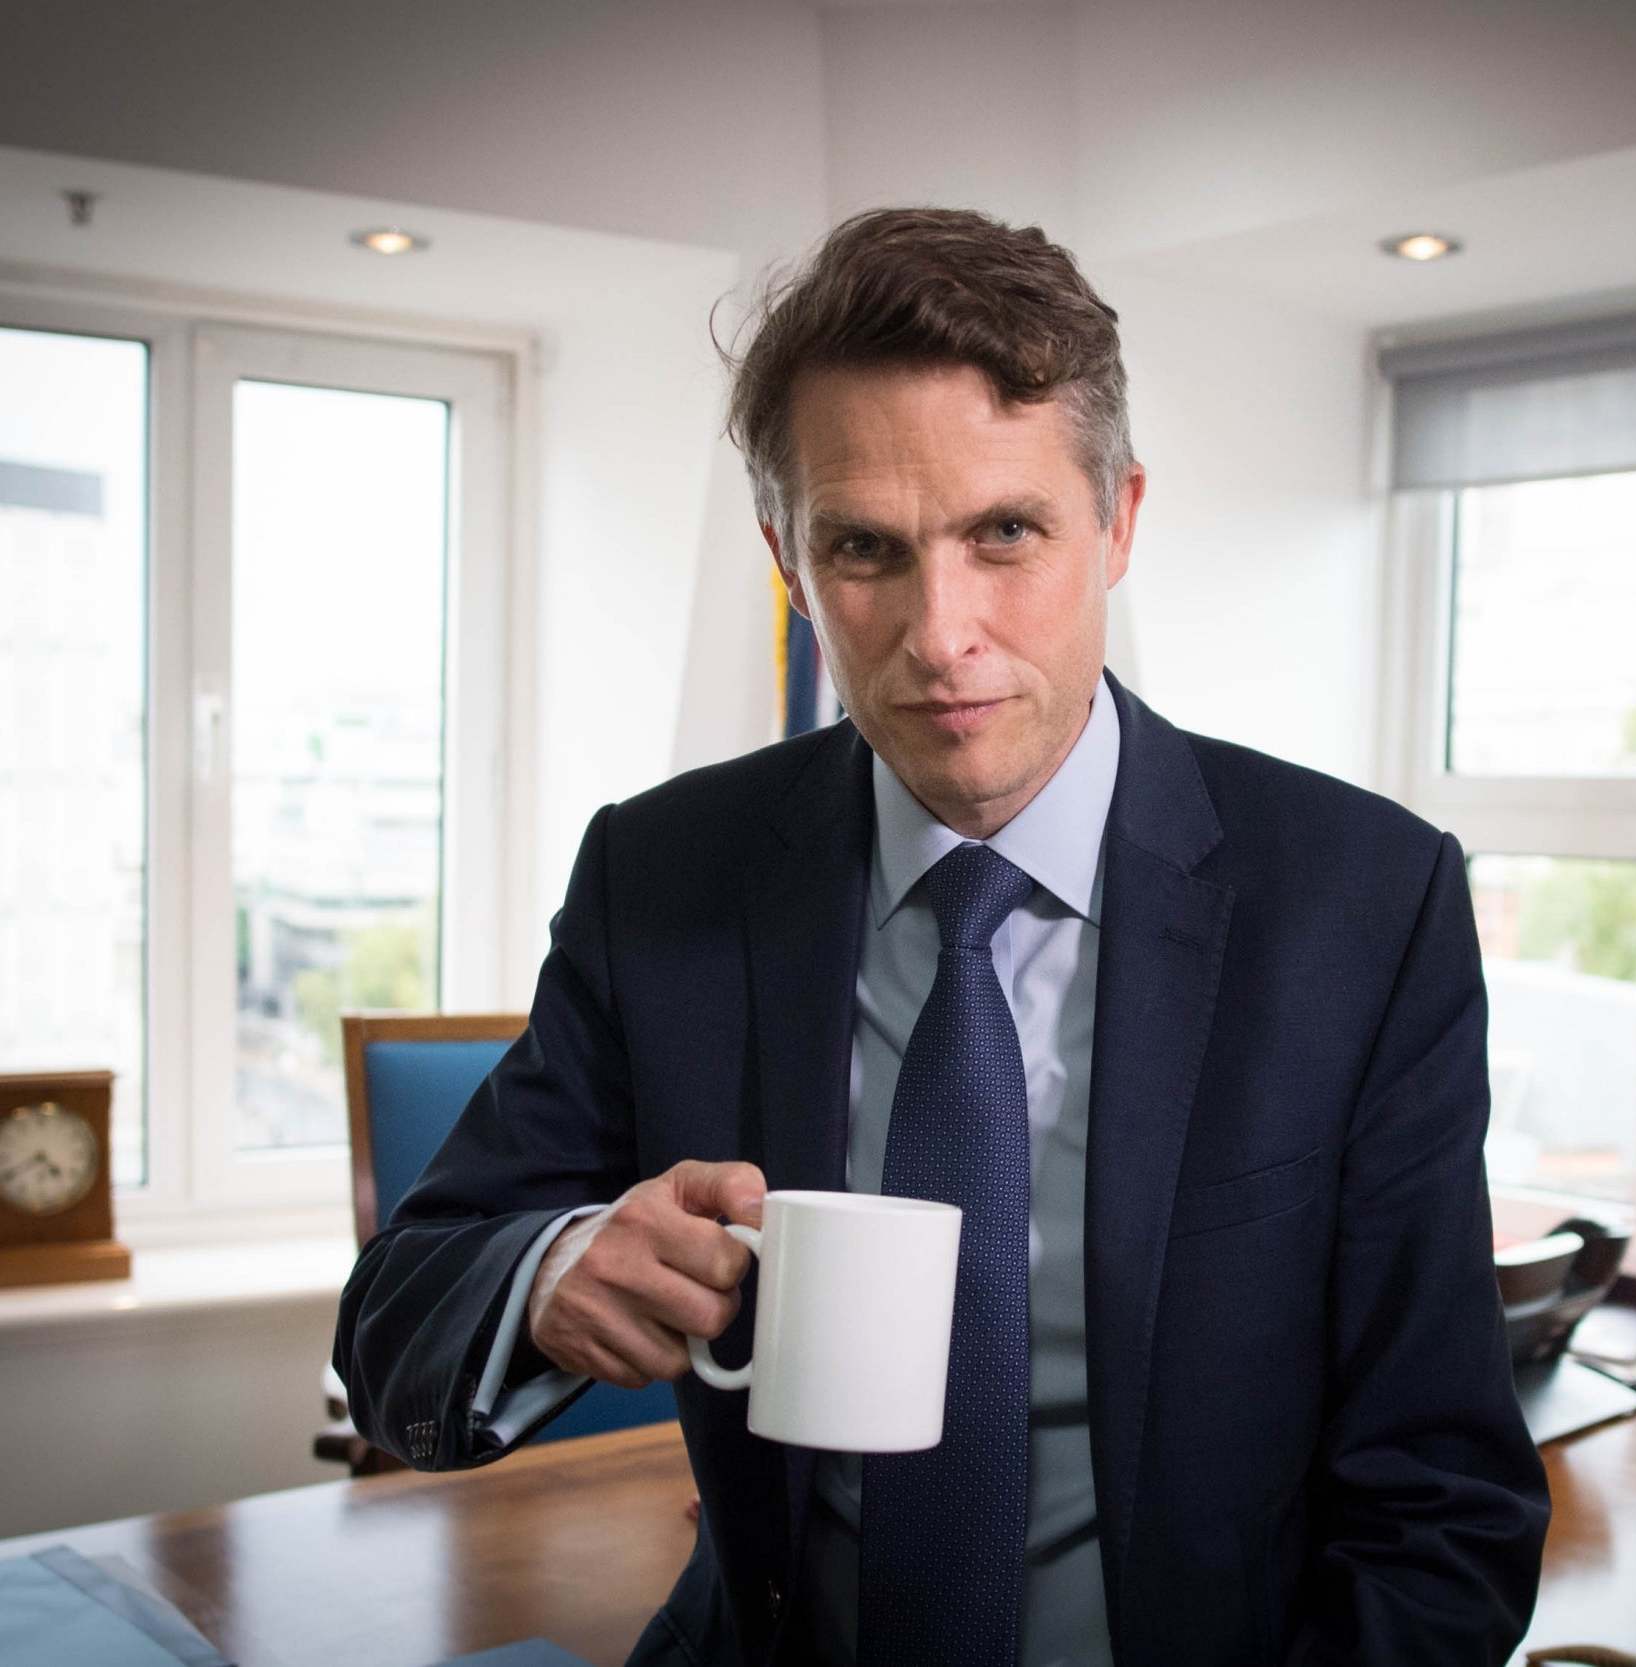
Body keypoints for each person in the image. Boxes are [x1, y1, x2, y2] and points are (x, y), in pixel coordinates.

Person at [334, 205, 1549, 1667]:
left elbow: (1444, 1505)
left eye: (1005, 535)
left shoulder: (1364, 905)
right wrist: (554, 1272)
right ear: (788, 553)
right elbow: (394, 1328)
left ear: (1118, 521)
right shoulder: (661, 875)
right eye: (865, 549)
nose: (940, 633)